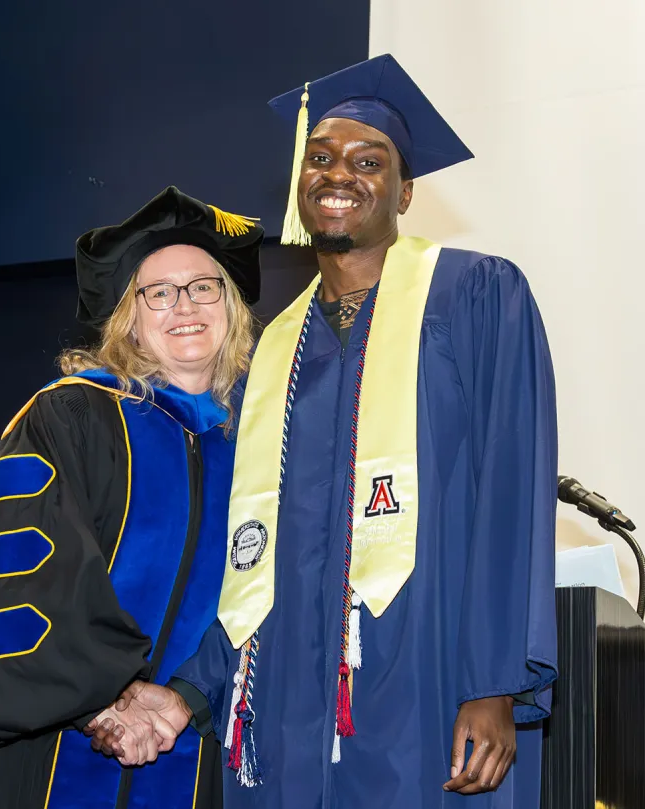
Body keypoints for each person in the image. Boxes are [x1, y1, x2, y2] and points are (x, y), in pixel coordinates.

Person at [91, 54, 559, 808]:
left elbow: (512, 492)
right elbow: (252, 561)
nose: (338, 173)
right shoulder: (273, 351)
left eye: (368, 161)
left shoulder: (477, 297)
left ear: (405, 192)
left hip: (433, 683)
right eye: (319, 158)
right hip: (289, 705)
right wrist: (185, 693)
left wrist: (495, 681)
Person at [0, 186, 262, 809]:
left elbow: (262, 601)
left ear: (231, 306)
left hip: (189, 748)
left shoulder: (259, 449)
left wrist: (186, 695)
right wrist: (105, 700)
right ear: (129, 316)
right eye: (157, 292)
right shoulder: (72, 415)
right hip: (50, 747)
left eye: (203, 286)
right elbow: (16, 573)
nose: (183, 305)